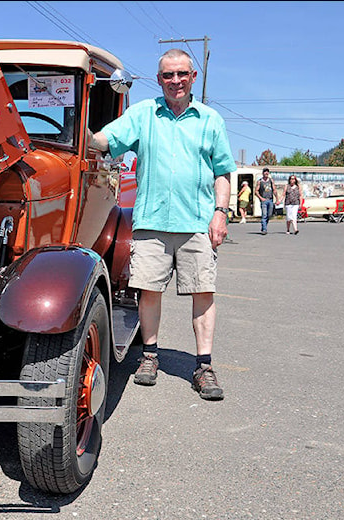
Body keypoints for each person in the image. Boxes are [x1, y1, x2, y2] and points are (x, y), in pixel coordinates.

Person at [88, 48, 236, 400]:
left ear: (193, 77)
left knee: (203, 292)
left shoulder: (210, 120)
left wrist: (221, 212)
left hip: (197, 222)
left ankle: (203, 366)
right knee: (149, 291)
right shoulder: (143, 115)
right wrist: (83, 135)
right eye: (168, 75)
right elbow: (106, 141)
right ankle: (149, 356)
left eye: (182, 74)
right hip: (152, 221)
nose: (175, 81)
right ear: (159, 80)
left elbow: (223, 172)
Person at [256, 167, 277, 235]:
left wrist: (277, 198)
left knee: (269, 215)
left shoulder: (271, 180)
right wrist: (261, 198)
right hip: (264, 200)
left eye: (267, 172)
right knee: (264, 215)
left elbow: (274, 190)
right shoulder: (260, 181)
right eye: (265, 172)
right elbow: (256, 191)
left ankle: (264, 226)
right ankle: (264, 229)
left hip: (270, 199)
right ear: (263, 173)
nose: (266, 173)